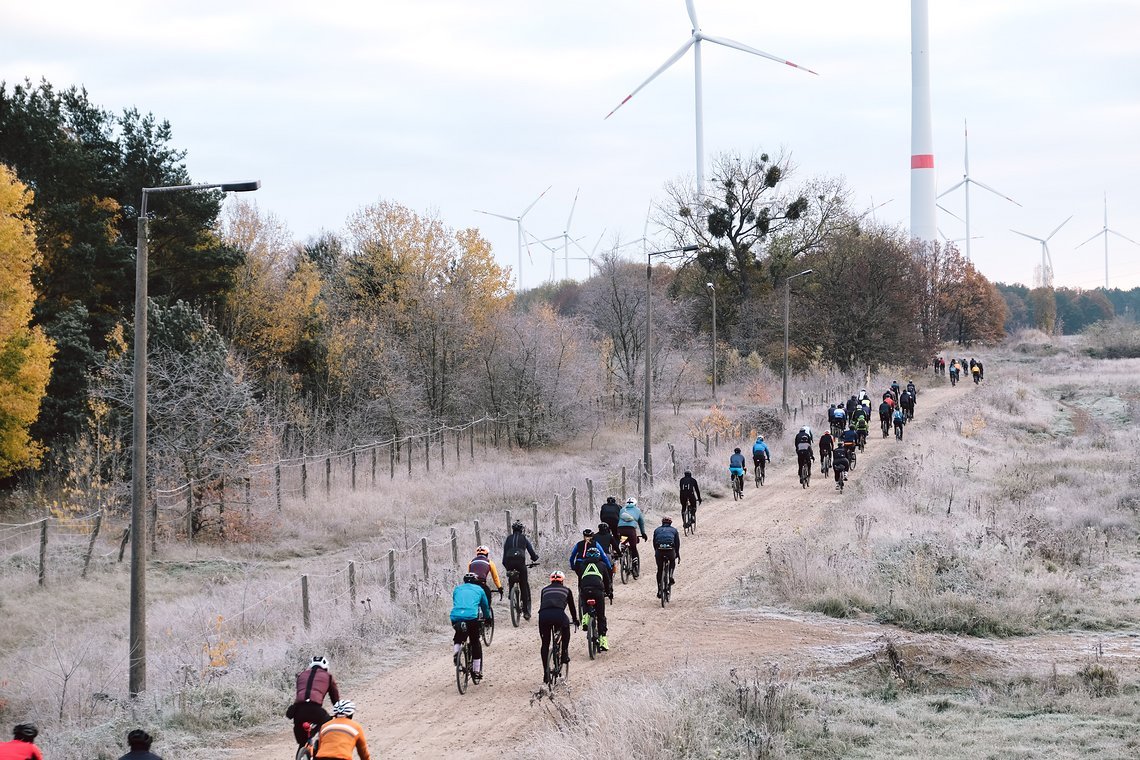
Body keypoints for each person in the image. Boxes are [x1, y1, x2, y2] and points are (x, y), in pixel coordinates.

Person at [538, 571, 579, 684]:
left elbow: (543, 603)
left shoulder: (544, 590)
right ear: (562, 580)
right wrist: (575, 620)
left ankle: (546, 674)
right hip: (558, 615)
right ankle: (564, 653)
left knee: (545, 644)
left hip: (543, 615)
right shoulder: (566, 590)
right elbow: (572, 607)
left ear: (551, 580)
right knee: (566, 627)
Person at [450, 572, 491, 683]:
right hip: (471, 617)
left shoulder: (457, 589)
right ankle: (476, 670)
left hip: (456, 616)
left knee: (459, 635)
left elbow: (455, 602)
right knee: (475, 641)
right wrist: (487, 618)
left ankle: (456, 653)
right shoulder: (479, 590)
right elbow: (485, 606)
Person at [290, 656, 339, 746]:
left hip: (297, 710)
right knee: (327, 722)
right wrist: (338, 711)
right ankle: (316, 741)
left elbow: (300, 694)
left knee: (302, 741)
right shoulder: (328, 676)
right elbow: (335, 698)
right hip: (315, 709)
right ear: (325, 667)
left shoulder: (301, 675)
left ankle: (304, 747)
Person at [502, 521, 539, 621]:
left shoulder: (508, 539)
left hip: (509, 562)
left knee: (511, 576)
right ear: (522, 530)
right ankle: (526, 612)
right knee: (523, 585)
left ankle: (511, 593)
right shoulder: (523, 538)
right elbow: (531, 551)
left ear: (513, 530)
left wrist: (507, 567)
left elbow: (504, 555)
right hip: (520, 563)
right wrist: (534, 558)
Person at [577, 546, 613, 651]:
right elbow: (607, 581)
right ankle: (603, 640)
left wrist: (581, 591)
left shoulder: (582, 565)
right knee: (601, 616)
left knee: (584, 600)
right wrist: (609, 592)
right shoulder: (602, 565)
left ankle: (585, 616)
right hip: (598, 591)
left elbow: (580, 581)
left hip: (585, 590)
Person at [652, 516, 680, 599]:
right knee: (672, 561)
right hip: (670, 550)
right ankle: (670, 575)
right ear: (670, 523)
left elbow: (654, 543)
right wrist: (677, 554)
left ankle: (659, 589)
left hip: (659, 551)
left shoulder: (657, 530)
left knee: (659, 569)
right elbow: (677, 544)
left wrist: (656, 551)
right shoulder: (674, 530)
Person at [467, 545, 503, 611]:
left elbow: (469, 574)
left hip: (470, 585)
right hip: (481, 584)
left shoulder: (471, 562)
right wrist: (499, 588)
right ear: (487, 554)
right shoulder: (489, 562)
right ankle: (487, 616)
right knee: (487, 599)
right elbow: (495, 578)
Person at [616, 498, 648, 571]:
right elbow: (641, 523)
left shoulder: (622, 510)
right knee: (633, 547)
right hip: (630, 530)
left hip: (621, 530)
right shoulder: (637, 510)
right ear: (635, 504)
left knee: (623, 542)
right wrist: (643, 533)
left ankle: (623, 554)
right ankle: (634, 564)